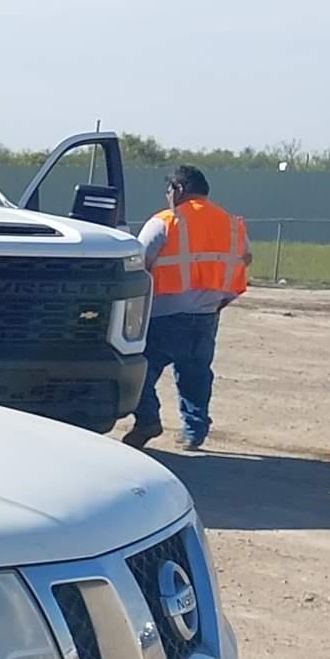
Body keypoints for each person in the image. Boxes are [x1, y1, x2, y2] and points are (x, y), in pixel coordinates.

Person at [125, 164, 249, 450]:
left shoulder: (165, 221)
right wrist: (220, 300)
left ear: (179, 189)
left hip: (163, 316)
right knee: (196, 375)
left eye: (169, 190)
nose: (167, 196)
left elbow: (135, 263)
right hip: (207, 315)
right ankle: (194, 430)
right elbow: (244, 260)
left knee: (138, 373)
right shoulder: (231, 224)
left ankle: (147, 420)